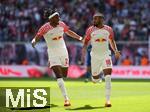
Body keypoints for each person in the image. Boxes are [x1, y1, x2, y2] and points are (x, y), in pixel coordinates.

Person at [31, 8, 83, 106]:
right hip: (52, 53)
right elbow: (38, 36)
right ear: (51, 19)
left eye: (58, 16)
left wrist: (80, 38)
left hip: (63, 51)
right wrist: (34, 41)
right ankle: (66, 99)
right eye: (56, 17)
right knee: (58, 76)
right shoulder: (45, 28)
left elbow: (69, 32)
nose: (59, 18)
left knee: (64, 74)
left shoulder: (62, 24)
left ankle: (58, 71)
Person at [82, 12, 121, 107]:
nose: (94, 20)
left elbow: (112, 41)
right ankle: (96, 77)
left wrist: (115, 50)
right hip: (95, 56)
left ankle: (108, 100)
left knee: (108, 76)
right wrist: (83, 53)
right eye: (93, 19)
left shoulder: (109, 29)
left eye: (96, 19)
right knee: (95, 78)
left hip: (106, 55)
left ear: (102, 20)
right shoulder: (90, 30)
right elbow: (85, 43)